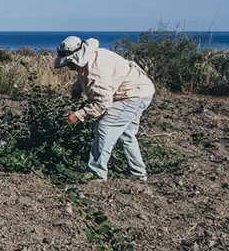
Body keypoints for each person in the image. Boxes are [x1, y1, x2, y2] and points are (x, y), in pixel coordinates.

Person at [54, 36, 156, 181]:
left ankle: (96, 173)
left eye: (68, 63)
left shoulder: (96, 72)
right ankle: (139, 173)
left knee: (105, 128)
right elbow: (83, 76)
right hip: (141, 90)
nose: (68, 67)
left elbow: (103, 104)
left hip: (132, 94)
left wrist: (78, 115)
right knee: (126, 135)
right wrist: (76, 89)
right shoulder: (92, 57)